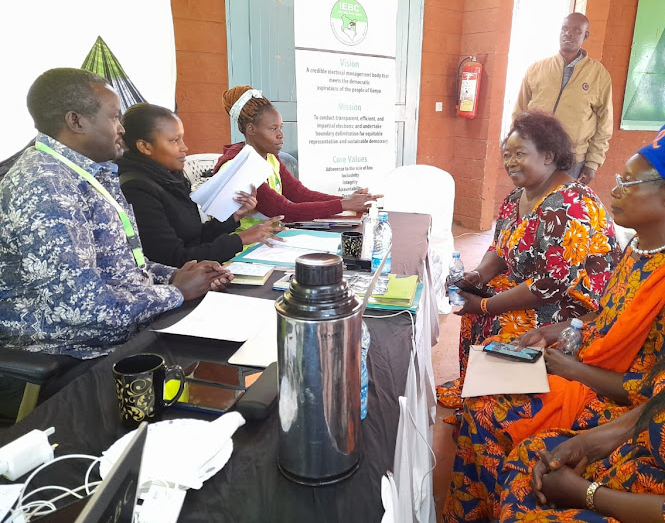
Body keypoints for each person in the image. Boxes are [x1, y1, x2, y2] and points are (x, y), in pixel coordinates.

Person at [443, 121, 665, 522]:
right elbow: (605, 313)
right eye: (619, 178)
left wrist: (573, 370)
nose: (613, 190)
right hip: (588, 366)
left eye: (629, 183)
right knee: (488, 377)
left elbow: (661, 394)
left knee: (490, 411)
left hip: (621, 407)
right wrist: (554, 331)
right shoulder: (640, 249)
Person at [497, 186, 665, 523]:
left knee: (505, 432)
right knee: (529, 459)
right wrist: (589, 444)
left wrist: (585, 493)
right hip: (641, 449)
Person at [0, 68, 231, 362]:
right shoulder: (44, 184)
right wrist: (176, 293)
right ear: (76, 121)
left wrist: (177, 275)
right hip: (75, 352)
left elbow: (123, 267)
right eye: (113, 117)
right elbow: (81, 307)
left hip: (127, 328)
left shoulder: (89, 173)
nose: (121, 128)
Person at [437, 110, 621, 410]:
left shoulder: (568, 206)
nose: (510, 161)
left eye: (519, 153)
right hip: (536, 290)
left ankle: (494, 406)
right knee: (478, 308)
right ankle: (474, 391)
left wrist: (485, 304)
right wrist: (479, 276)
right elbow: (500, 248)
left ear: (548, 156)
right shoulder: (517, 196)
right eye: (506, 154)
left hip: (570, 307)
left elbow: (551, 285)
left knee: (498, 322)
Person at [117, 103, 284, 267]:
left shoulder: (172, 178)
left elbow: (195, 237)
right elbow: (174, 258)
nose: (185, 147)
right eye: (175, 141)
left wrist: (234, 218)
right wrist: (240, 240)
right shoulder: (136, 190)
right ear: (145, 147)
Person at [215, 86, 380, 224]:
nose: (281, 135)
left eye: (281, 127)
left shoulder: (270, 156)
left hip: (270, 238)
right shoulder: (238, 165)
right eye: (273, 129)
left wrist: (348, 201)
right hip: (244, 247)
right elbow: (284, 210)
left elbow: (299, 194)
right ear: (251, 129)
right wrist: (345, 204)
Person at [513, 12, 613, 185]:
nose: (569, 34)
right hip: (535, 154)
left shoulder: (599, 75)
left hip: (572, 161)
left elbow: (605, 123)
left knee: (561, 209)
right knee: (530, 208)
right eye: (565, 29)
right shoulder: (537, 69)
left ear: (585, 35)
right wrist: (518, 149)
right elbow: (519, 112)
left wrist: (592, 164)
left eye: (576, 30)